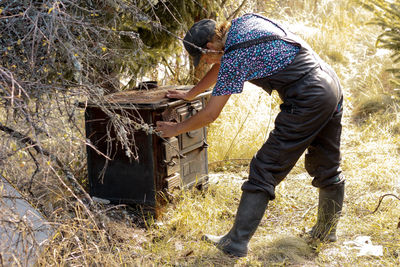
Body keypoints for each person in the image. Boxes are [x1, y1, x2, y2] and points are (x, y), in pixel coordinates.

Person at [155, 13, 345, 258]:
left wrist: (176, 129)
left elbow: (211, 113)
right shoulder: (243, 25)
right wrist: (190, 94)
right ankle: (325, 232)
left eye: (202, 57)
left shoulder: (234, 54)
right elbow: (221, 65)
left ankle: (235, 243)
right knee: (327, 164)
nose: (204, 62)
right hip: (329, 84)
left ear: (211, 47)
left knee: (265, 167)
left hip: (309, 95)